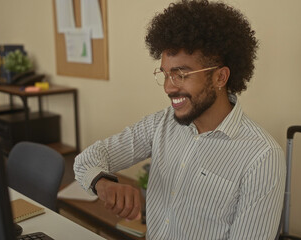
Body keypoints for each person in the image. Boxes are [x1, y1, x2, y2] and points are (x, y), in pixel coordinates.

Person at [74, 0, 286, 239]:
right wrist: (104, 184)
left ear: (220, 77)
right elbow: (87, 160)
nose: (168, 87)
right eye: (165, 74)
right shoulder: (161, 124)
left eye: (181, 75)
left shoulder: (262, 157)